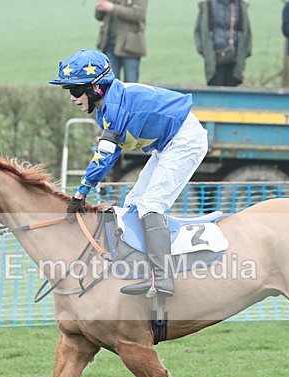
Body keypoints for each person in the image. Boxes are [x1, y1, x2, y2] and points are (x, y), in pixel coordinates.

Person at [50, 49, 208, 297]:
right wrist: (82, 192)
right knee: (134, 203)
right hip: (168, 144)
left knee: (151, 205)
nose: (72, 97)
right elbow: (110, 156)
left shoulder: (112, 108)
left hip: (185, 139)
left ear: (95, 88)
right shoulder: (107, 107)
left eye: (75, 90)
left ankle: (163, 279)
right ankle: (142, 270)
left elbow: (103, 157)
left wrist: (80, 194)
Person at [194, 0, 253, 87]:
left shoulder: (240, 6)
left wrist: (245, 52)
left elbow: (247, 32)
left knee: (232, 94)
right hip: (214, 61)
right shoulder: (208, 5)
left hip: (235, 60)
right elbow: (198, 30)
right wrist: (203, 51)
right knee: (214, 93)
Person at [95, 0, 148, 83]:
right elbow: (98, 17)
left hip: (131, 46)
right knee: (110, 84)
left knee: (131, 85)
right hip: (109, 44)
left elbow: (138, 14)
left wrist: (113, 8)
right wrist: (101, 5)